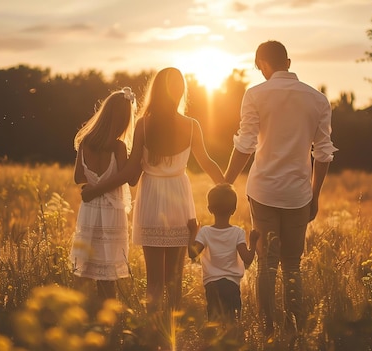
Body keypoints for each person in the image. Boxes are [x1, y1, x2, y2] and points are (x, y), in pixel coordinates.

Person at [82, 68, 225, 317]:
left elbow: (130, 175)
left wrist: (96, 190)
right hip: (179, 198)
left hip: (151, 200)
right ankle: (172, 332)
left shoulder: (143, 125)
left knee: (155, 281)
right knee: (175, 280)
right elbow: (208, 163)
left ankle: (152, 332)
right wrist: (226, 188)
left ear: (156, 90)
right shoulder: (191, 126)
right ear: (181, 91)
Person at [223, 40, 338, 340]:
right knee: (292, 266)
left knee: (266, 266)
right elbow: (323, 153)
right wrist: (315, 195)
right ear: (288, 61)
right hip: (299, 194)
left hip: (263, 192)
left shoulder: (255, 95)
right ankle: (294, 330)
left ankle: (267, 331)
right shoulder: (318, 99)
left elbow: (246, 145)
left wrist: (225, 181)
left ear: (262, 63)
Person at [70, 87, 137, 302]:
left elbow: (78, 177)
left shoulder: (85, 143)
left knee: (86, 266)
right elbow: (129, 178)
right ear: (124, 120)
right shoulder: (118, 148)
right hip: (111, 213)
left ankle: (84, 312)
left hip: (89, 211)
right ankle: (109, 317)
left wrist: (94, 183)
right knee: (108, 272)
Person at [188, 183, 259, 326]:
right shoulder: (238, 232)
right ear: (233, 209)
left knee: (214, 323)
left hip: (211, 285)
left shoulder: (205, 232)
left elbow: (192, 254)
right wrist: (253, 242)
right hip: (232, 285)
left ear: (209, 209)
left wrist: (192, 232)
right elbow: (247, 259)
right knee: (233, 323)